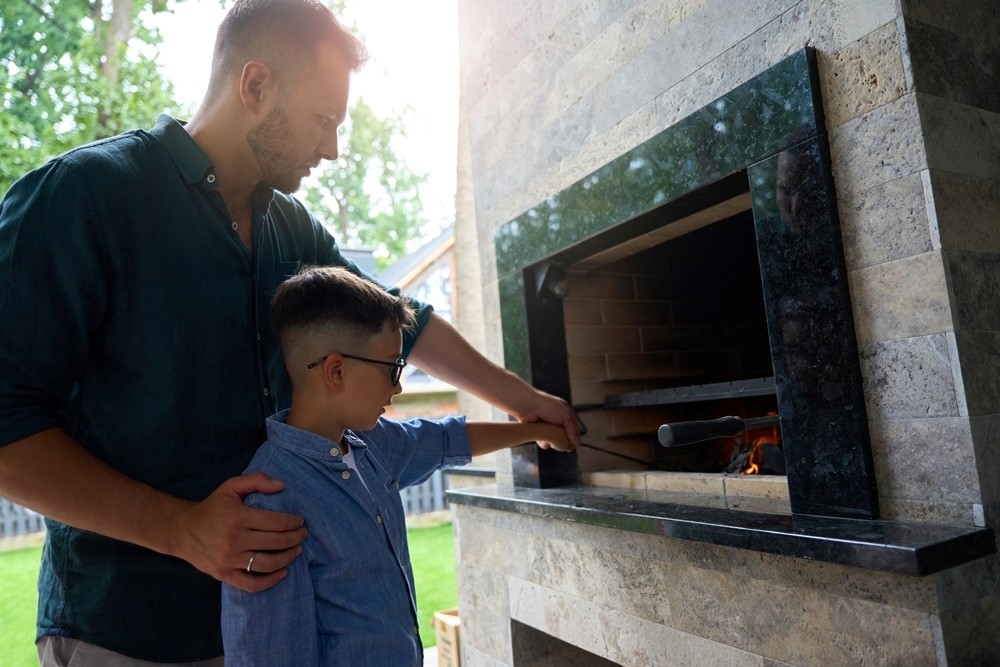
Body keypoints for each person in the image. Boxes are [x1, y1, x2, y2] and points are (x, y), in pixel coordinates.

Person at [0, 1, 578, 664]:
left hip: (275, 623)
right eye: (323, 120)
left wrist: (520, 398)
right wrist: (181, 528)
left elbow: (397, 319)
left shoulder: (293, 230)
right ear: (255, 86)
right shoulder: (85, 196)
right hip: (127, 630)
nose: (332, 148)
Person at [221, 266, 574, 666]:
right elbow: (268, 656)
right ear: (336, 370)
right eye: (392, 368)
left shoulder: (371, 445)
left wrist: (536, 429)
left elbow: (445, 440)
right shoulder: (271, 502)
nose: (398, 387)